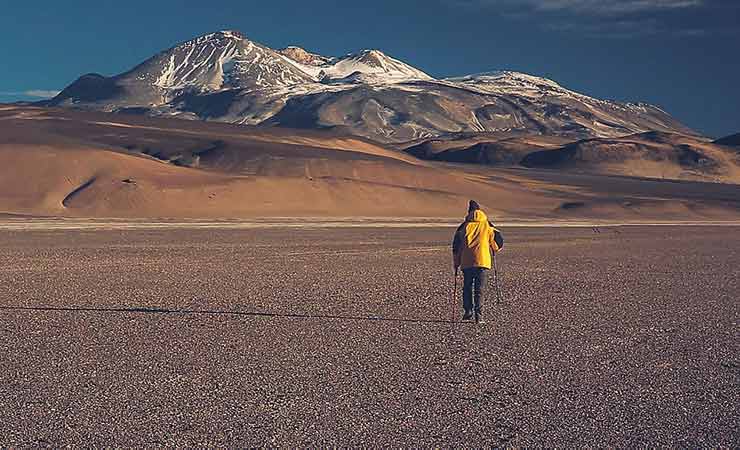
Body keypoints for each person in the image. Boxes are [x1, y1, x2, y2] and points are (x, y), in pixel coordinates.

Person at [452, 200, 504, 323]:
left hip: (467, 262)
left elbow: (456, 247)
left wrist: (456, 263)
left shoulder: (463, 226)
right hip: (483, 261)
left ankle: (468, 310)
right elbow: (498, 241)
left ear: (469, 212)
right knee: (479, 289)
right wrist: (495, 248)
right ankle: (479, 317)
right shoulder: (487, 225)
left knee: (467, 287)